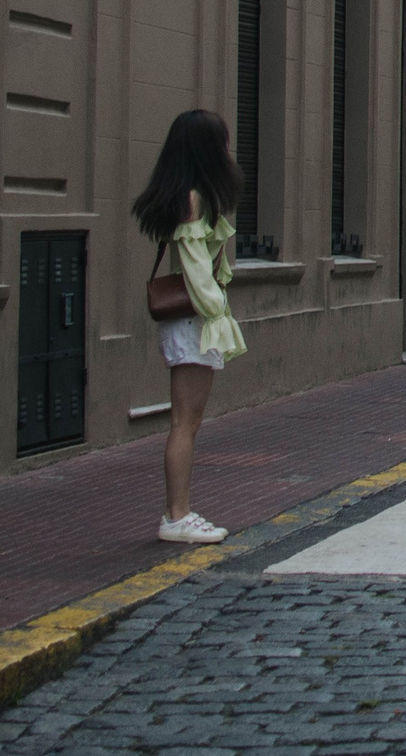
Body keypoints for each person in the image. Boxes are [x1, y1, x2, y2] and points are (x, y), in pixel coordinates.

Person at [132, 109, 248, 545]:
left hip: (191, 320)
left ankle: (177, 512)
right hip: (194, 321)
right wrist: (218, 312)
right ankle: (176, 515)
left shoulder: (189, 195)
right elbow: (198, 272)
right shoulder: (193, 199)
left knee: (187, 421)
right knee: (185, 422)